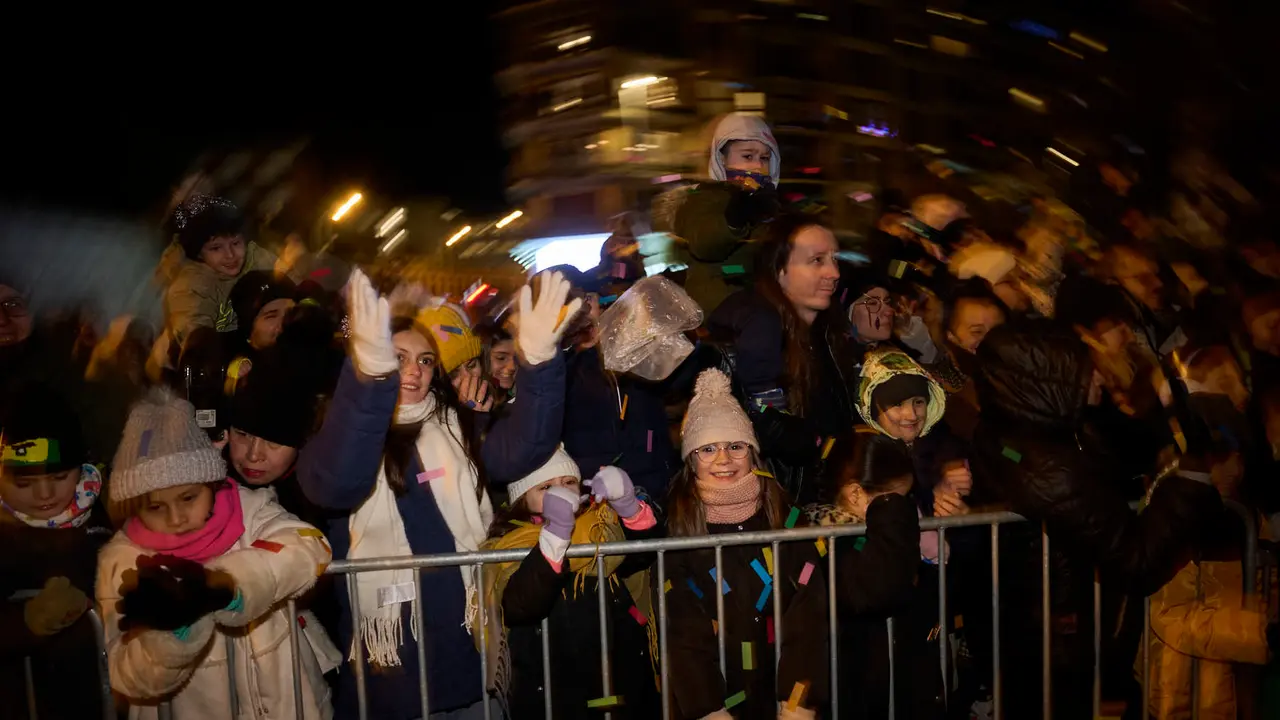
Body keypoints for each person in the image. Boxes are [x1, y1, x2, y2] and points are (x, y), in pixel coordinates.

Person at [297, 269, 580, 719]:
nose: (413, 370)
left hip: (467, 644)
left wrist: (541, 363)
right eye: (398, 357)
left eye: (426, 360)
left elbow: (525, 449)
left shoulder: (458, 425)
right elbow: (338, 482)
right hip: (394, 661)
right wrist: (370, 384)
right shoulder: (337, 437)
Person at [98, 388, 339, 719]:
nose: (176, 518)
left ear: (210, 483)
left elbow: (308, 544)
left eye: (188, 498)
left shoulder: (249, 511)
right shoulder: (123, 560)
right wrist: (173, 634)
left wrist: (225, 585)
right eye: (155, 506)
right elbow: (127, 675)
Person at [665, 369, 828, 719]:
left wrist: (798, 699)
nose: (723, 459)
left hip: (780, 695)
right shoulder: (679, 527)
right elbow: (683, 629)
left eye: (736, 446)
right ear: (691, 459)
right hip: (721, 697)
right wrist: (707, 707)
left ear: (753, 454)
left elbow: (809, 612)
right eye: (708, 449)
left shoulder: (786, 517)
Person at [479, 449, 661, 719]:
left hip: (622, 675)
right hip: (555, 690)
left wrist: (629, 507)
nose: (561, 491)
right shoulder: (510, 544)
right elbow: (522, 605)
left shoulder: (601, 526)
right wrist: (555, 536)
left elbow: (642, 557)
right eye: (545, 487)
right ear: (522, 498)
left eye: (569, 482)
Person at [709, 214, 854, 503]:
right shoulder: (757, 332)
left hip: (826, 497)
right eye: (817, 260)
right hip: (778, 506)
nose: (834, 272)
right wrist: (812, 442)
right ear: (779, 269)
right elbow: (764, 419)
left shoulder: (826, 332)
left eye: (835, 259)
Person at [805, 433, 937, 719]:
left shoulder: (872, 538)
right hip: (851, 684)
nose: (903, 508)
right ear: (855, 494)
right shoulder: (834, 542)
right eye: (896, 499)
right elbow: (879, 590)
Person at [0, 388, 113, 720]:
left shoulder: (99, 512)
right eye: (24, 483)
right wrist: (25, 621)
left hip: (98, 697)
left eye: (60, 476)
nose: (45, 494)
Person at [658, 113, 782, 314]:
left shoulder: (768, 203)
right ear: (722, 159)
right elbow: (704, 243)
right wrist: (735, 217)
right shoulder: (703, 199)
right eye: (747, 156)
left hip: (760, 299)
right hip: (718, 304)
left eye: (765, 158)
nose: (758, 166)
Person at [151, 195, 281, 375]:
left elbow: (288, 281)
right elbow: (196, 334)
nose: (230, 255)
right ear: (199, 253)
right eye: (216, 248)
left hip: (247, 341)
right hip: (196, 362)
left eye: (235, 243)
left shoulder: (255, 257)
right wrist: (228, 364)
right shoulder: (189, 286)